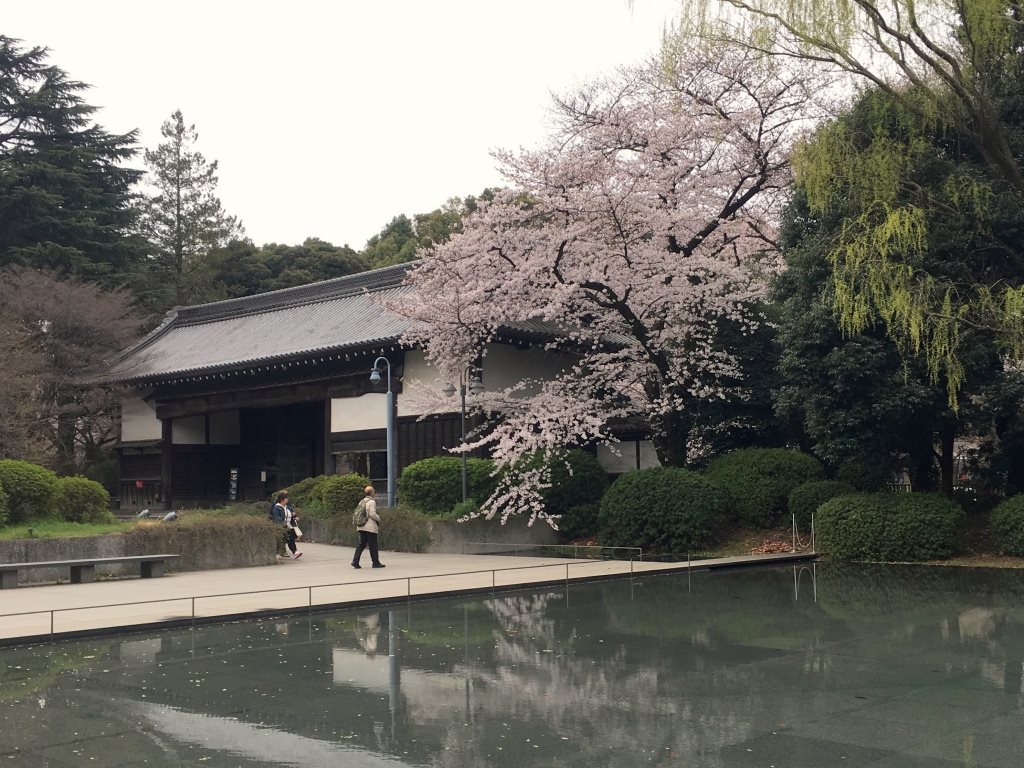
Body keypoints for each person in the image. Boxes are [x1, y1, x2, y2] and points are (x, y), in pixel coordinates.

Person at [352, 485, 384, 569]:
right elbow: (372, 514)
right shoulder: (372, 502)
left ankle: (355, 561)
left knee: (362, 544)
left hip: (361, 526)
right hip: (370, 527)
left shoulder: (362, 501)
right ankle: (375, 563)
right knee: (373, 545)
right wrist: (378, 519)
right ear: (372, 492)